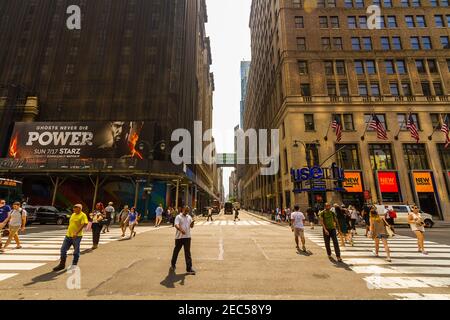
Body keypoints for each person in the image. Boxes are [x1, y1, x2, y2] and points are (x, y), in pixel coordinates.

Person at [53, 204, 88, 271]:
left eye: (75, 208)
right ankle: (62, 264)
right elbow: (71, 223)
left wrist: (76, 232)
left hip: (77, 236)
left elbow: (84, 224)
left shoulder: (83, 215)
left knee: (75, 251)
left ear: (80, 209)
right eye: (73, 208)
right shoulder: (73, 214)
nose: (73, 209)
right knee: (63, 250)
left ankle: (74, 265)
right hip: (68, 235)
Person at [171, 207, 196, 275]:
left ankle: (189, 268)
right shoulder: (178, 217)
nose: (187, 212)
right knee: (176, 251)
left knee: (187, 253)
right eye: (186, 211)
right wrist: (181, 230)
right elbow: (176, 225)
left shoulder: (189, 217)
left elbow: (191, 226)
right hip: (179, 237)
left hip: (187, 237)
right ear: (183, 210)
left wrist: (193, 222)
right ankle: (173, 264)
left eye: (188, 211)